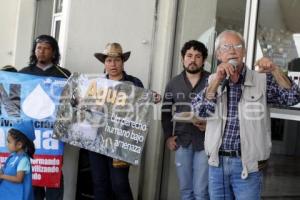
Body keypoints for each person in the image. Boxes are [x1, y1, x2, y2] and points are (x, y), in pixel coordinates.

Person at [192, 30, 300, 199]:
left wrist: (275, 70)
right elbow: (200, 111)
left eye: (237, 46)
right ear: (219, 55)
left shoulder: (261, 80)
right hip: (216, 163)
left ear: (244, 53)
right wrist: (217, 81)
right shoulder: (212, 80)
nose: (233, 50)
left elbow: (293, 97)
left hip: (247, 165)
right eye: (226, 47)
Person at [19, 34, 71, 200]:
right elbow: (13, 103)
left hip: (53, 134)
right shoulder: (23, 74)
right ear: (34, 51)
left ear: (54, 52)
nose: (41, 51)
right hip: (29, 132)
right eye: (38, 48)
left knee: (53, 169)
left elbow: (71, 102)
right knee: (33, 170)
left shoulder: (64, 75)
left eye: (46, 48)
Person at [161, 40, 210, 200]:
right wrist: (168, 137)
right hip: (182, 141)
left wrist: (209, 124)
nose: (193, 60)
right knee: (186, 191)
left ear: (203, 60)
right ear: (183, 58)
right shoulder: (173, 83)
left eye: (197, 56)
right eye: (189, 55)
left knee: (201, 192)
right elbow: (166, 112)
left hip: (206, 142)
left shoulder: (213, 81)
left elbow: (223, 111)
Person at [0, 120, 36, 200]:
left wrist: (2, 176)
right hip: (7, 195)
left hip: (18, 196)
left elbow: (19, 179)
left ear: (19, 144)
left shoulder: (23, 160)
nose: (7, 144)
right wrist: (1, 172)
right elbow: (4, 169)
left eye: (9, 142)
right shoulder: (12, 156)